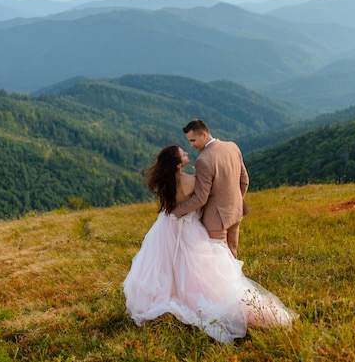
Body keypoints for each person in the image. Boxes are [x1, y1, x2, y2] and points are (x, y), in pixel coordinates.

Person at [123, 145, 295, 344]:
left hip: (166, 226)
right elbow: (207, 191)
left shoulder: (167, 182)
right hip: (188, 229)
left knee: (167, 263)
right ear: (178, 164)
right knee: (197, 267)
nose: (187, 153)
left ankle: (171, 294)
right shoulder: (190, 181)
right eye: (183, 153)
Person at [172, 119, 249, 258]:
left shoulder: (203, 160)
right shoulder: (232, 146)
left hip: (216, 218)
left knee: (220, 260)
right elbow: (244, 181)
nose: (191, 145)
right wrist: (236, 200)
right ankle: (235, 280)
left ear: (204, 135)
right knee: (232, 253)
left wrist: (176, 211)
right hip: (236, 211)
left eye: (193, 140)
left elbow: (201, 198)